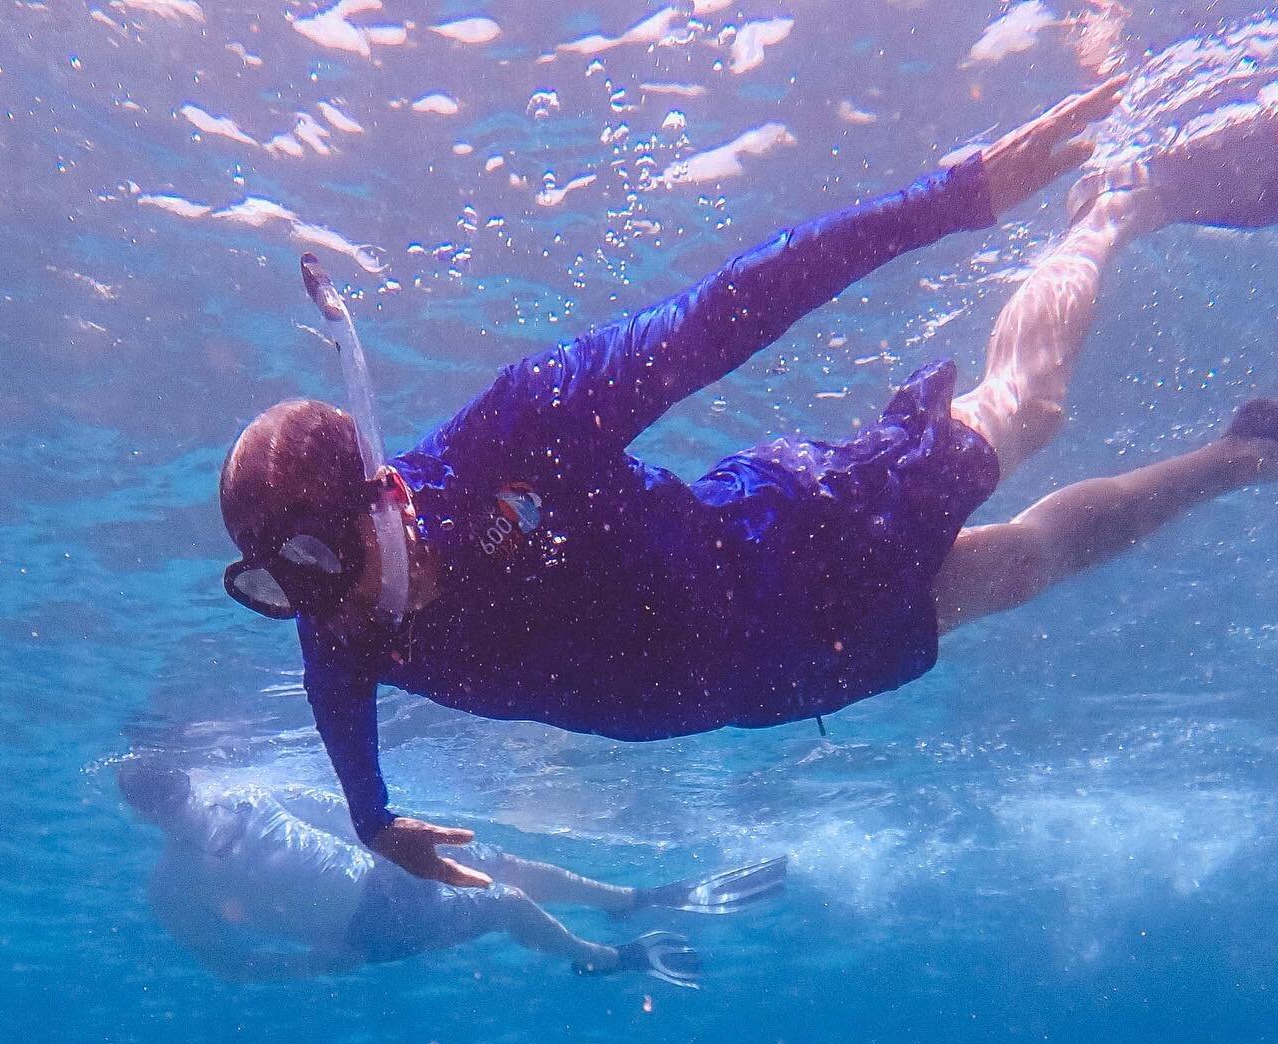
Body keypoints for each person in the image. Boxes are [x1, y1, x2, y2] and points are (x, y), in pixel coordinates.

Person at [217, 77, 1278, 886]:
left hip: (794, 551)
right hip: (773, 679)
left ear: (385, 496)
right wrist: (370, 820)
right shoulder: (335, 623)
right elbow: (335, 702)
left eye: (316, 564)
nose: (319, 608)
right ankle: (1242, 457)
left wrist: (949, 199)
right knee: (1024, 570)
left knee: (1024, 415)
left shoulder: (519, 432)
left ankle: (1114, 208)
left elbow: (721, 314)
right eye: (276, 589)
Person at [117, 759, 788, 985]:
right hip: (369, 926)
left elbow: (336, 808)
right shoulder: (169, 886)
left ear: (185, 777)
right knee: (506, 902)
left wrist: (395, 831)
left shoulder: (247, 793)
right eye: (160, 798)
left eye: (174, 785)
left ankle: (629, 899)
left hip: (383, 871)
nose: (180, 801)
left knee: (503, 863)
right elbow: (228, 965)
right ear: (147, 814)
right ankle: (605, 959)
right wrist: (319, 964)